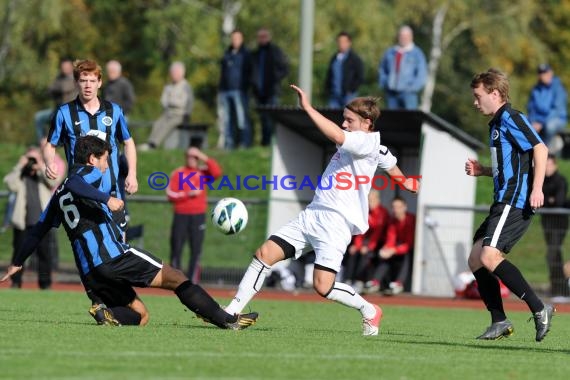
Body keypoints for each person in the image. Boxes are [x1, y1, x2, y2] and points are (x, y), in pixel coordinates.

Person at [1, 136, 258, 330]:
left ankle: (106, 313)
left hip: (90, 272)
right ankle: (225, 319)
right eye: (103, 159)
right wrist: (107, 199)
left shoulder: (59, 195)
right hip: (113, 256)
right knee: (177, 278)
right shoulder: (82, 176)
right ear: (92, 159)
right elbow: (76, 182)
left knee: (141, 315)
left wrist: (16, 262)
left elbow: (37, 231)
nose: (105, 166)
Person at [223, 84, 419, 336]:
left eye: (349, 120)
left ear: (367, 122)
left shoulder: (364, 142)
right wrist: (409, 183)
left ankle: (370, 310)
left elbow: (338, 137)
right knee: (264, 253)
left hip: (336, 223)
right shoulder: (375, 147)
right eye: (343, 120)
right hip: (314, 213)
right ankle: (232, 311)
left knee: (323, 286)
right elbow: (391, 165)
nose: (344, 124)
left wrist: (307, 107)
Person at [43, 59, 138, 324]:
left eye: (91, 80)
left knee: (118, 247)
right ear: (77, 83)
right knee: (88, 250)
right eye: (82, 80)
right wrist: (49, 162)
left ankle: (111, 303)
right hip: (82, 196)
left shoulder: (114, 111)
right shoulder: (64, 113)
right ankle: (99, 302)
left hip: (113, 195)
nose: (87, 85)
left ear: (99, 82)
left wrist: (132, 173)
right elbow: (49, 144)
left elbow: (128, 143)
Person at [465, 68, 554, 342]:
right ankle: (500, 320)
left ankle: (540, 309)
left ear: (495, 93)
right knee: (476, 259)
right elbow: (510, 166)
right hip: (503, 200)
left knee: (489, 256)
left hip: (514, 201)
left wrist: (537, 188)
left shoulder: (511, 118)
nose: (475, 102)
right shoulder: (496, 124)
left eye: (478, 96)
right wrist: (483, 170)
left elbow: (541, 149)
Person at [3, 147, 60, 289]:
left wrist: (41, 166)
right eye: (30, 159)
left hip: (42, 222)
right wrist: (20, 166)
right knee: (18, 253)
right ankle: (16, 283)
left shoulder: (42, 175)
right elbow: (10, 184)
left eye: (34, 158)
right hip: (22, 222)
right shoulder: (21, 176)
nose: (31, 162)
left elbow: (54, 182)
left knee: (44, 255)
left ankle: (45, 285)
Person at [167, 147, 222, 283]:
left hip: (198, 216)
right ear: (186, 157)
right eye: (191, 156)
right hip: (181, 215)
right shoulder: (179, 173)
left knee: (196, 249)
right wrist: (187, 194)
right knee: (177, 247)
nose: (193, 159)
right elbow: (170, 194)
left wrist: (202, 155)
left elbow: (217, 172)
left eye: (195, 157)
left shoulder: (202, 173)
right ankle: (175, 280)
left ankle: (191, 281)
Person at [366, 196, 416, 295]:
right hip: (397, 249)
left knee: (407, 256)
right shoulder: (392, 221)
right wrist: (387, 249)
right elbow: (391, 239)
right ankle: (375, 282)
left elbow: (409, 243)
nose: (396, 210)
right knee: (384, 256)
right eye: (394, 207)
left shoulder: (410, 220)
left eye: (399, 207)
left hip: (408, 250)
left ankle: (399, 284)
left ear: (405, 207)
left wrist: (393, 250)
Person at [139, 62, 194, 151]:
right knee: (157, 123)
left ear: (181, 73)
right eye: (172, 73)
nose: (173, 75)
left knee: (167, 125)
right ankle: (149, 143)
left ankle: (153, 144)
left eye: (175, 73)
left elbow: (183, 103)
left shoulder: (186, 86)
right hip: (168, 112)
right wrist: (173, 102)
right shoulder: (168, 86)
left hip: (181, 114)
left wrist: (171, 101)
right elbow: (163, 101)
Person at [343, 191, 389, 291]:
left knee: (366, 254)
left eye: (372, 200)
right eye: (368, 200)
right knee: (352, 251)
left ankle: (359, 281)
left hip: (378, 243)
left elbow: (378, 234)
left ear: (378, 200)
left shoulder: (382, 212)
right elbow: (361, 231)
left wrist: (368, 247)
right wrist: (357, 245)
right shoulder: (365, 212)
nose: (370, 202)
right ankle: (348, 280)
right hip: (366, 241)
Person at [251, 27, 289, 146]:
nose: (262, 39)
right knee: (263, 119)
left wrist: (275, 79)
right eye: (260, 37)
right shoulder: (255, 54)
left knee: (271, 119)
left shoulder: (275, 52)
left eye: (264, 36)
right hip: (259, 92)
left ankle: (274, 143)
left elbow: (285, 68)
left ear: (269, 37)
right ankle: (265, 143)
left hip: (272, 91)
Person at [378, 25, 427, 110]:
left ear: (411, 37)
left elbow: (421, 75)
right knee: (392, 121)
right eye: (401, 36)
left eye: (406, 36)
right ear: (398, 36)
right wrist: (385, 83)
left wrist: (411, 89)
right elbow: (382, 70)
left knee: (409, 120)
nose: (403, 38)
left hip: (409, 94)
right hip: (391, 93)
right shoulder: (390, 52)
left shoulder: (417, 53)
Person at [541, 154, 569, 298]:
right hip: (547, 223)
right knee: (554, 254)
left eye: (549, 164)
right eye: (544, 164)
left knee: (552, 253)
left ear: (555, 165)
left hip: (559, 223)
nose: (546, 168)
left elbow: (558, 201)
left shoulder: (560, 181)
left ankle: (561, 288)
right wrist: (548, 200)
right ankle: (559, 288)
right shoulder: (540, 181)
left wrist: (543, 199)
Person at [219, 30, 252, 149]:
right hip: (226, 91)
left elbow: (250, 73)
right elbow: (223, 73)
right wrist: (221, 89)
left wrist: (245, 87)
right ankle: (229, 143)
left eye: (237, 38)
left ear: (241, 39)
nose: (235, 41)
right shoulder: (227, 54)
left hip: (240, 91)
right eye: (233, 38)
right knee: (227, 120)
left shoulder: (246, 55)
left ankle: (245, 142)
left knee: (242, 119)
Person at [34, 58, 78, 143]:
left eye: (67, 67)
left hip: (71, 111)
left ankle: (57, 142)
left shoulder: (75, 77)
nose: (65, 69)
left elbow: (64, 88)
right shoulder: (59, 77)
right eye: (63, 67)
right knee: (39, 117)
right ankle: (42, 142)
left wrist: (57, 88)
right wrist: (57, 89)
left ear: (71, 67)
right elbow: (49, 89)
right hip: (57, 109)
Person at [527, 63, 568, 150]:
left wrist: (541, 122)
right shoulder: (536, 89)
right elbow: (531, 108)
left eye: (545, 72)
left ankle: (547, 150)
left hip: (557, 118)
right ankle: (528, 151)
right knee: (523, 122)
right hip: (538, 120)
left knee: (549, 126)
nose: (543, 75)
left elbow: (556, 110)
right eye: (541, 73)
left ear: (551, 73)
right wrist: (533, 121)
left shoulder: (558, 87)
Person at [324, 31, 364, 108]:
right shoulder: (334, 58)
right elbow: (329, 75)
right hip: (334, 95)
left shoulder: (354, 58)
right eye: (339, 41)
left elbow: (360, 77)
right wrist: (328, 90)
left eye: (344, 41)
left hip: (348, 96)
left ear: (349, 43)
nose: (341, 44)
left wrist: (351, 90)